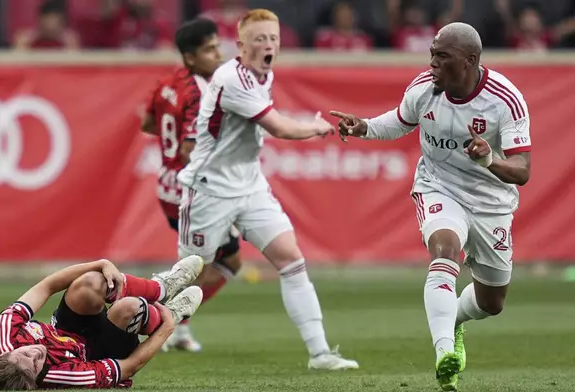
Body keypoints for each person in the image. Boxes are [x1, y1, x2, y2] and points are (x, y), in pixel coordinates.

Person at [330, 22, 531, 390]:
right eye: (432, 54)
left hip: (491, 202)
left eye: (442, 56)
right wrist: (364, 127)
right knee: (444, 249)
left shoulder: (504, 99)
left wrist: (489, 161)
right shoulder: (424, 87)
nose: (432, 63)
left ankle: (453, 321)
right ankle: (443, 355)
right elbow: (401, 121)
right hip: (438, 186)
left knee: (492, 302)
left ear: (469, 60)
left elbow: (522, 170)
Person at [176, 8, 358, 370]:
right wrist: (316, 127)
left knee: (290, 258)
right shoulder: (232, 79)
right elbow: (280, 129)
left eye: (273, 38)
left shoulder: (263, 73)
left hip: (249, 184)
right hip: (209, 189)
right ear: (241, 46)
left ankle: (320, 353)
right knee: (188, 273)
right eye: (259, 39)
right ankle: (125, 331)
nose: (268, 45)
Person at [141, 18, 243, 352]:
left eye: (218, 46)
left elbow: (148, 123)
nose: (219, 54)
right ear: (190, 57)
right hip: (192, 193)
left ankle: (173, 323)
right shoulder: (202, 91)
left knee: (207, 262)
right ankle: (164, 319)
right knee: (224, 263)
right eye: (210, 49)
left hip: (166, 188)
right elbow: (188, 152)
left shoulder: (167, 83)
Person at [0, 256, 204, 390]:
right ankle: (172, 313)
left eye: (24, 354)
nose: (36, 353)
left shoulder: (4, 331)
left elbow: (46, 286)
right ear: (36, 379)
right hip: (95, 354)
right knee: (128, 308)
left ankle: (160, 288)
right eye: (35, 364)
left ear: (3, 354)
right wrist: (167, 329)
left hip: (64, 330)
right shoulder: (64, 376)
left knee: (89, 282)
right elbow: (129, 367)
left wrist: (101, 263)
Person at [13, 0, 80, 50]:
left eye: (55, 23)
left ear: (62, 23)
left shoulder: (70, 40)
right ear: (40, 20)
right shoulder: (25, 39)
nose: (50, 27)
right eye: (47, 22)